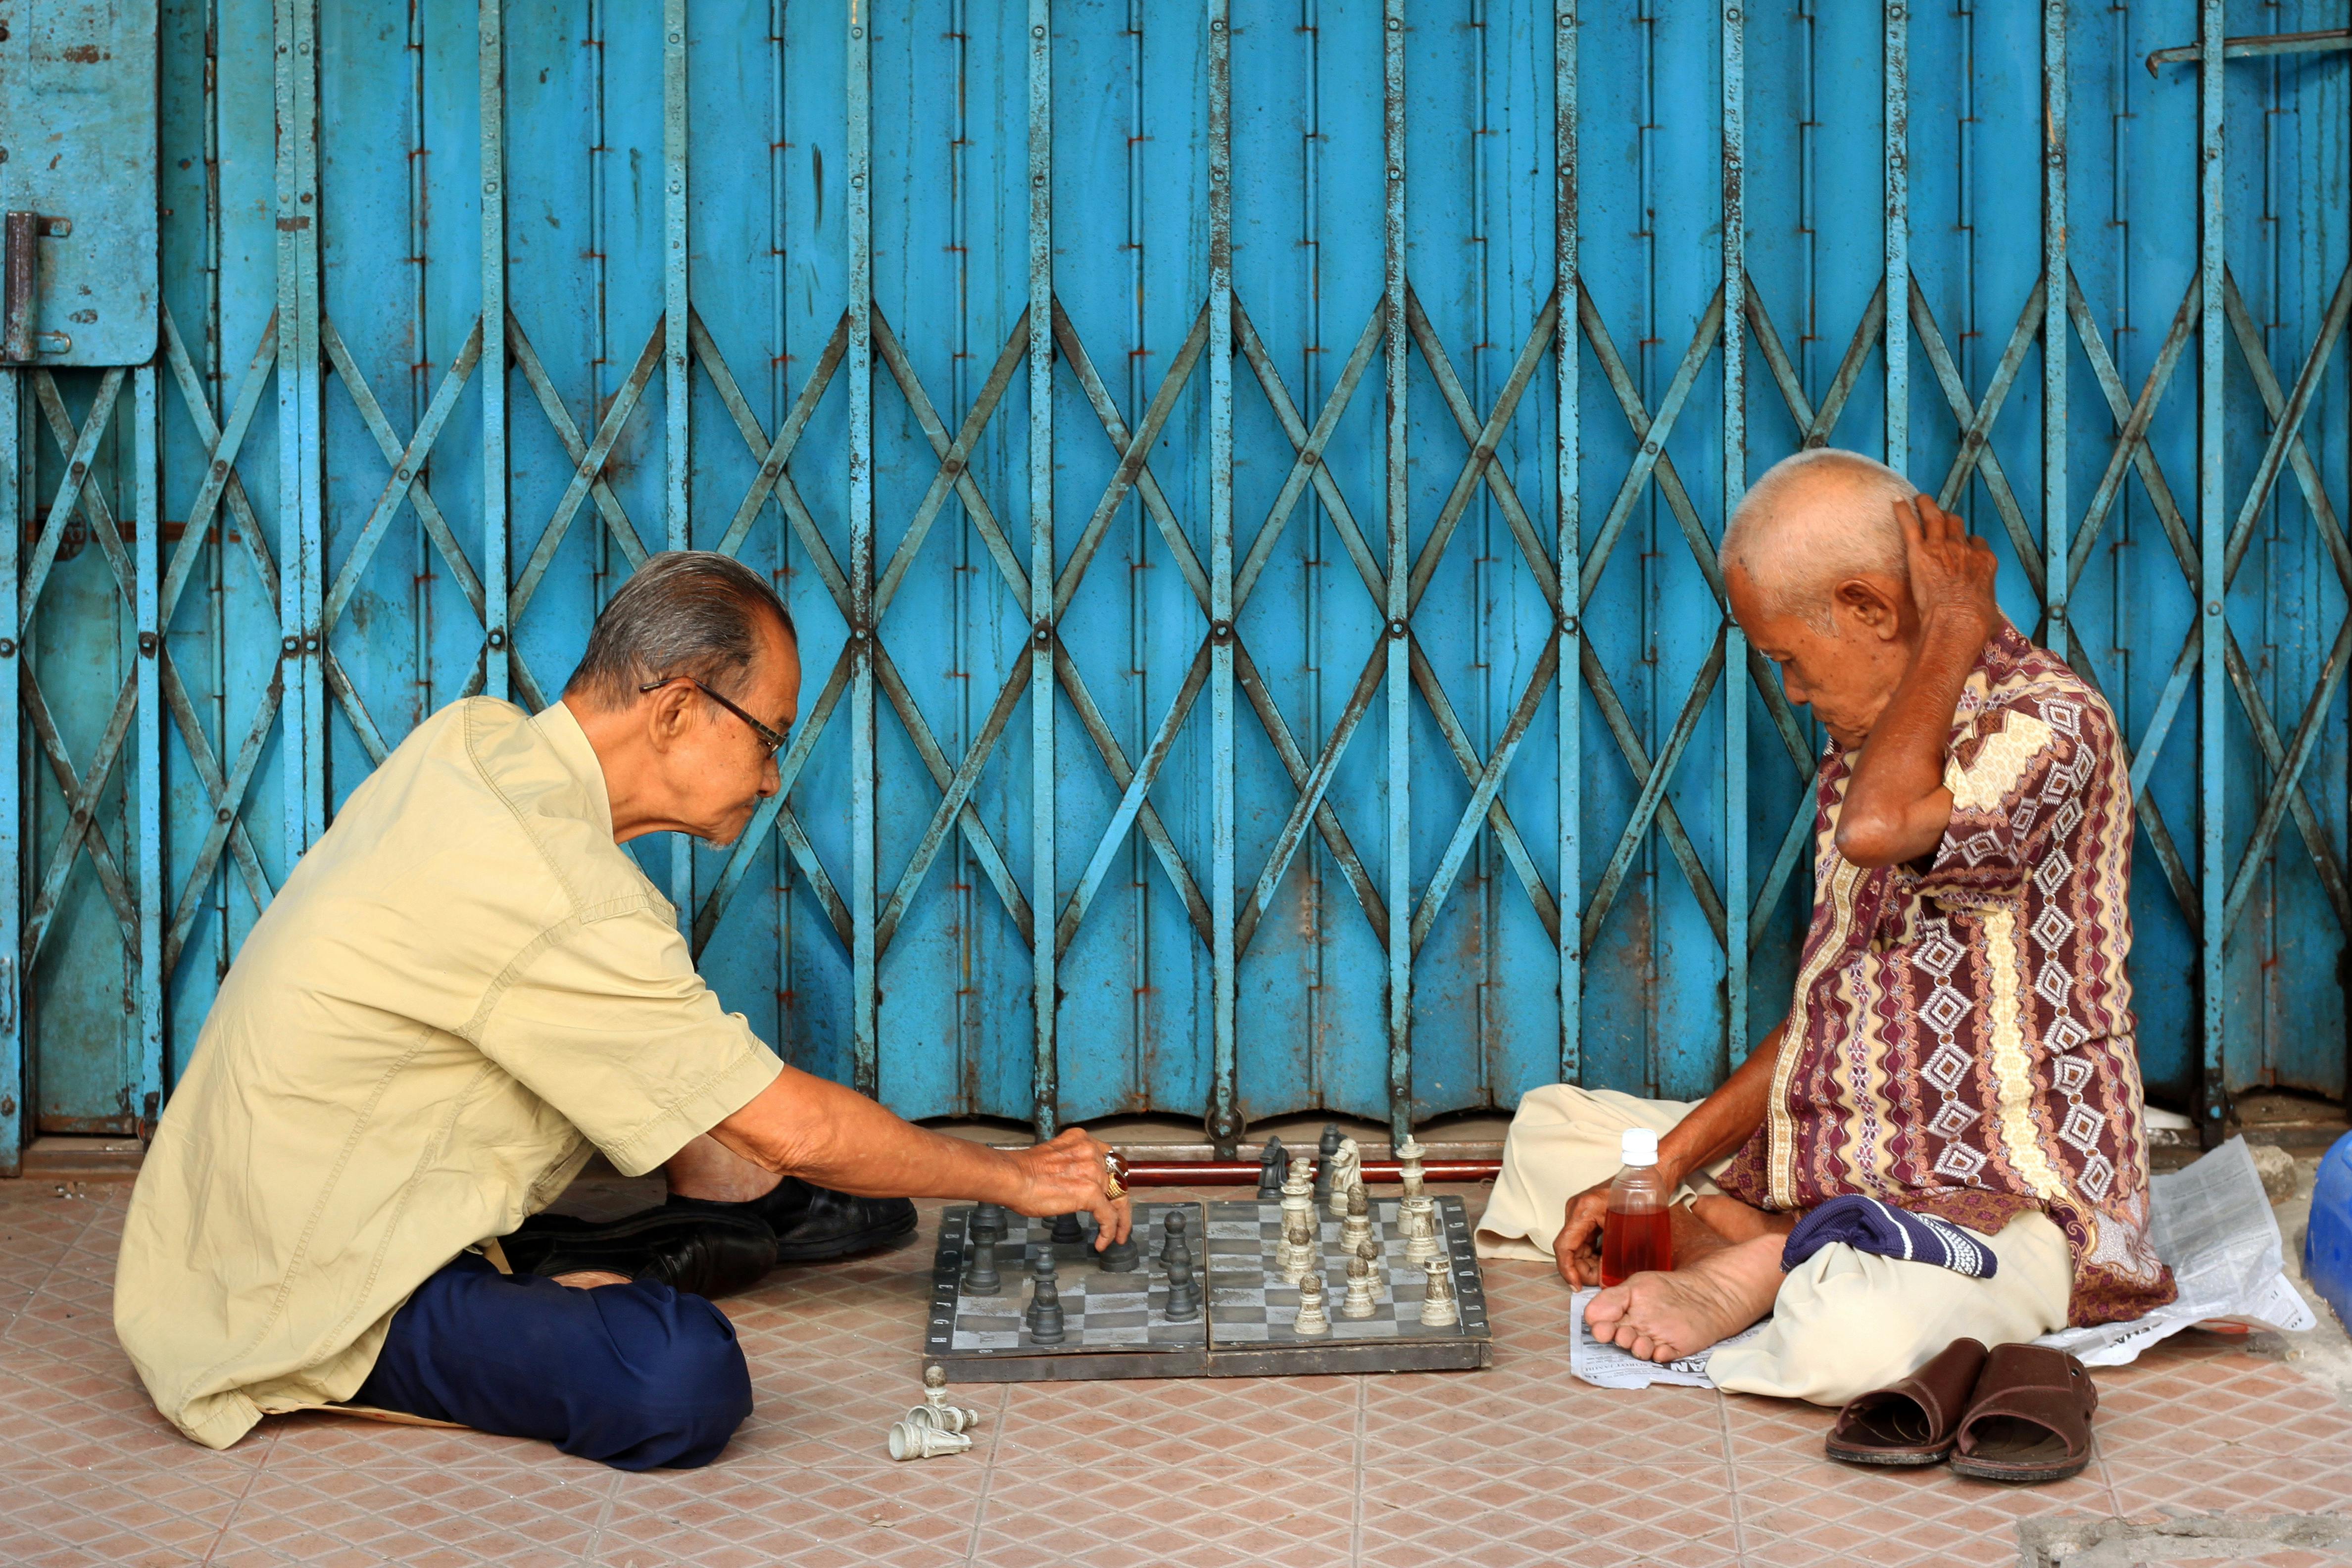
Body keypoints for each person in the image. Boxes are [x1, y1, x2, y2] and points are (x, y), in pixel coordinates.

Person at [114, 552, 1132, 1470]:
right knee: (681, 1376)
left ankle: (606, 1247)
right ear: (679, 710)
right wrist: (1011, 1176)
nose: (776, 779)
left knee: (766, 1173)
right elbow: (788, 1123)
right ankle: (524, 1286)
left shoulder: (470, 742)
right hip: (303, 1290)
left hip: (229, 1222)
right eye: (772, 738)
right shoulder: (560, 888)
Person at [1475, 448, 2176, 1404]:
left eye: (1790, 660)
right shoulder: (1867, 747)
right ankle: (1784, 1243)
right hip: (1838, 1150)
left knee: (1851, 1342)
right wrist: (1665, 1168)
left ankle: (1767, 1262)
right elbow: (1826, 1009)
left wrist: (1956, 627)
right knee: (1553, 1136)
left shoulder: (2051, 725)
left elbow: (1884, 829)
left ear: (1874, 609)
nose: (1794, 694)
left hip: (2014, 1193)